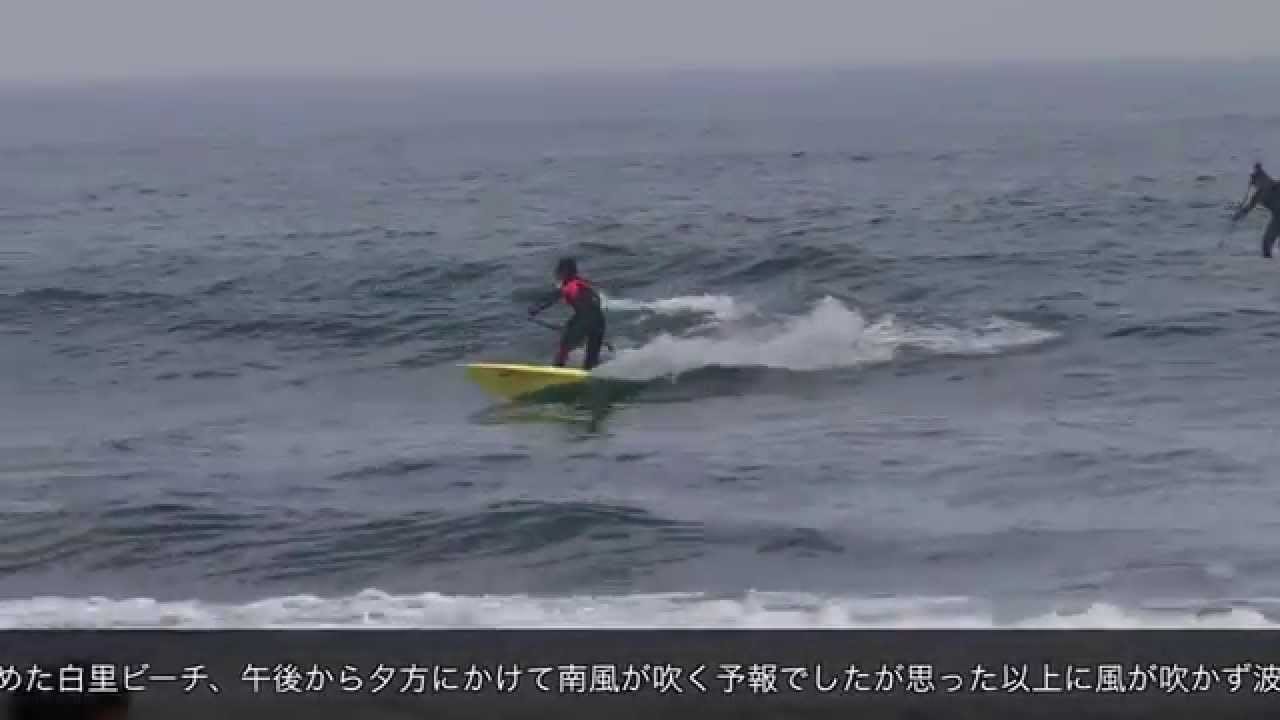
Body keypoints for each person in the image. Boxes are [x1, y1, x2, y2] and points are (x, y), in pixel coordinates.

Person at [528, 257, 607, 370]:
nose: (556, 273)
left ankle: (556, 370)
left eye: (559, 270)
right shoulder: (584, 283)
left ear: (564, 272)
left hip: (585, 319)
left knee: (564, 348)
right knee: (591, 360)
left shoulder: (570, 286)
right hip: (599, 320)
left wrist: (535, 309)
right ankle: (589, 371)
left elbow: (552, 298)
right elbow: (596, 300)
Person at [1233, 162, 1280, 258]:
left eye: (1255, 180)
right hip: (1277, 219)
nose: (1254, 184)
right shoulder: (1258, 195)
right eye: (1253, 182)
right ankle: (1268, 267)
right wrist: (1237, 216)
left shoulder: (1275, 185)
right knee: (1266, 244)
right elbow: (1248, 208)